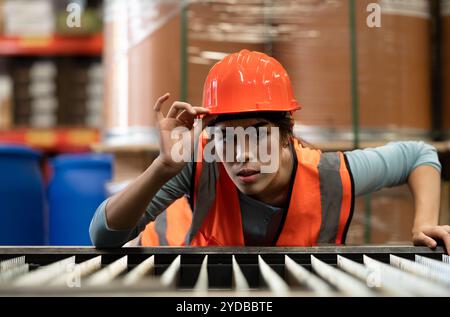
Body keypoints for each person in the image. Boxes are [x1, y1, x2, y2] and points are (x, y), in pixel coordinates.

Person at [90, 50, 449, 252]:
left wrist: (424, 225)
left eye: (258, 136)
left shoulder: (329, 175)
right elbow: (104, 237)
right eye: (226, 138)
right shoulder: (196, 162)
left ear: (285, 134)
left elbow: (419, 155)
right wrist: (162, 168)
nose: (242, 155)